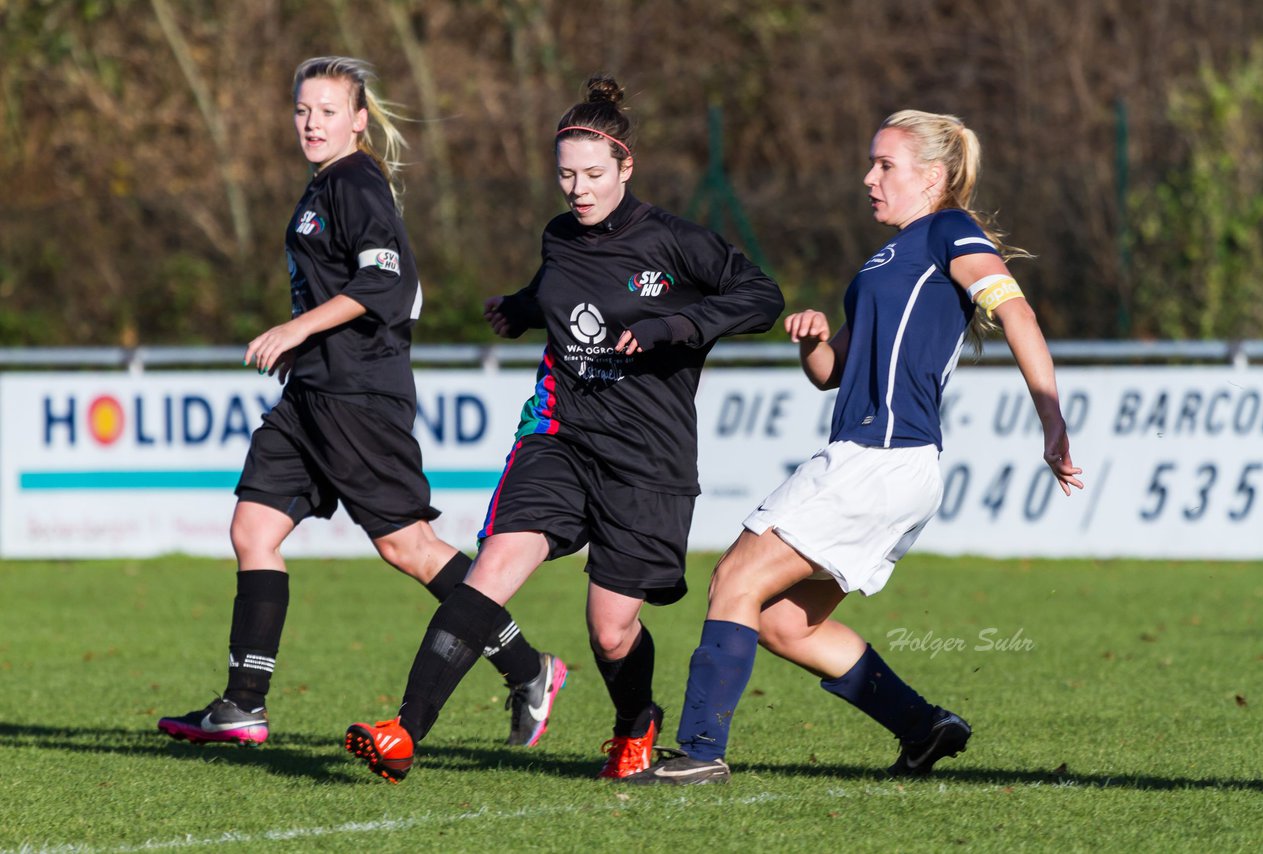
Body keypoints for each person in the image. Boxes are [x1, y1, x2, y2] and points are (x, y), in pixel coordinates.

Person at [343, 76, 785, 783]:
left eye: (592, 175)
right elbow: (563, 288)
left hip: (648, 459)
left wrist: (678, 323)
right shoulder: (559, 235)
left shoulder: (674, 240)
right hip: (562, 437)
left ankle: (635, 725)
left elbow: (762, 295)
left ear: (625, 168)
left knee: (611, 630)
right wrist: (522, 308)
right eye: (566, 175)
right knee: (492, 568)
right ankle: (404, 732)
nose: (578, 189)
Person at [626, 109, 1085, 785]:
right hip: (888, 464)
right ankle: (924, 727)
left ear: (932, 176)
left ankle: (698, 752)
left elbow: (1015, 312)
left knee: (735, 580)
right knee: (786, 626)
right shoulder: (884, 260)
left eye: (885, 165)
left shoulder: (950, 230)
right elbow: (829, 373)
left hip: (880, 457)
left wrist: (1051, 419)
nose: (869, 177)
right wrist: (814, 338)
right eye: (871, 163)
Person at [158, 56, 565, 752]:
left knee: (408, 547)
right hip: (310, 393)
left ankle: (530, 669)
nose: (311, 122)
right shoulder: (323, 186)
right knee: (253, 531)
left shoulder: (355, 182)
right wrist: (304, 344)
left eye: (326, 110)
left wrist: (297, 328)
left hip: (358, 397)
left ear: (357, 119)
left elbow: (387, 283)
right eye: (301, 110)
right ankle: (243, 706)